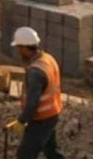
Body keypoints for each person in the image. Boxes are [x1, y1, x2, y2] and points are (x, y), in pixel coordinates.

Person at [8, 27, 66, 159]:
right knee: (52, 151)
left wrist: (22, 121)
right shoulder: (48, 58)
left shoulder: (35, 71)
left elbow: (32, 103)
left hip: (42, 118)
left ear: (24, 47)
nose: (18, 52)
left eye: (19, 48)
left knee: (25, 155)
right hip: (53, 113)